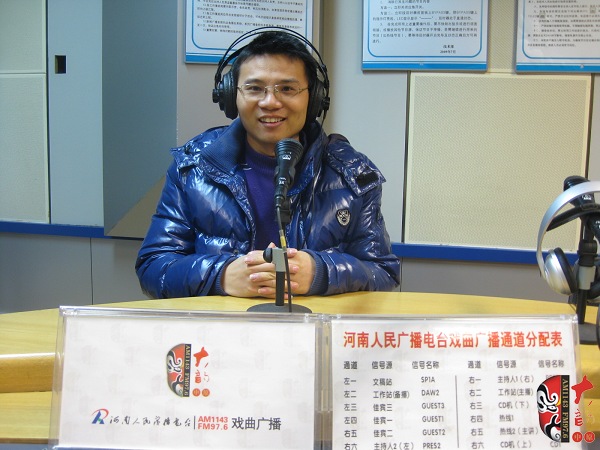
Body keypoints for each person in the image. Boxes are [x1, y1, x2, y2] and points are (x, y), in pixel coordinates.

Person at [135, 29, 400, 299]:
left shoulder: (352, 175)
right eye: (254, 88)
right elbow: (153, 268)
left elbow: (383, 273)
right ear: (230, 95)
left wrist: (322, 273)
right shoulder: (193, 169)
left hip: (312, 324)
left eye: (287, 89)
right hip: (223, 325)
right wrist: (221, 276)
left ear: (314, 98)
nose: (270, 102)